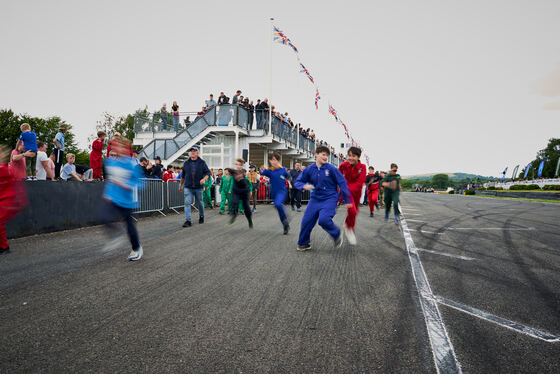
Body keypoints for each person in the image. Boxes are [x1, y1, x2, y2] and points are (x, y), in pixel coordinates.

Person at [294, 146, 352, 251]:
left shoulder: (332, 169)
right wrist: (303, 186)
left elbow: (342, 182)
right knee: (306, 221)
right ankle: (304, 243)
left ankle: (336, 233)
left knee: (324, 220)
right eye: (323, 154)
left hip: (329, 198)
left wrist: (347, 199)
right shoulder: (309, 169)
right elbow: (298, 181)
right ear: (316, 154)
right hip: (315, 199)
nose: (326, 157)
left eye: (327, 155)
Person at [101, 138, 144, 261]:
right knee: (104, 217)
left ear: (126, 149)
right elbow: (111, 180)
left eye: (120, 146)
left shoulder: (132, 164)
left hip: (127, 201)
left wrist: (126, 185)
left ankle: (136, 248)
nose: (117, 149)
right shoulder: (110, 162)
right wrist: (107, 194)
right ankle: (116, 235)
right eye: (115, 146)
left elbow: (139, 184)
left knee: (130, 226)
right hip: (113, 198)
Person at [0, 145, 26, 254]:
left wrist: (19, 202)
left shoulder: (6, 170)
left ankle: (4, 247)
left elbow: (18, 186)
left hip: (7, 201)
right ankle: (4, 246)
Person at [338, 147, 367, 245]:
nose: (350, 158)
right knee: (352, 210)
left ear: (358, 157)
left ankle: (348, 225)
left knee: (354, 212)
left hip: (357, 193)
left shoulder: (362, 167)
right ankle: (348, 228)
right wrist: (341, 187)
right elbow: (338, 174)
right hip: (347, 193)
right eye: (349, 155)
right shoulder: (344, 164)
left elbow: (360, 182)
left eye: (353, 156)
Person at [179, 146, 211, 227]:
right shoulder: (186, 163)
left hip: (198, 187)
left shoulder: (202, 162)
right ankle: (188, 220)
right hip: (188, 187)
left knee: (200, 203)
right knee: (187, 203)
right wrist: (180, 186)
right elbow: (183, 176)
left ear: (197, 153)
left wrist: (204, 179)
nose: (192, 152)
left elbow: (208, 173)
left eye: (194, 151)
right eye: (191, 151)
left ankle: (201, 216)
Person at [260, 153, 291, 234]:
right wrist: (263, 168)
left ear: (278, 160)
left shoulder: (283, 169)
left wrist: (290, 183)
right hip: (273, 192)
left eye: (274, 159)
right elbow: (261, 172)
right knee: (278, 207)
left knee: (277, 204)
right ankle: (285, 223)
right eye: (271, 160)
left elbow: (288, 177)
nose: (273, 161)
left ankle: (285, 218)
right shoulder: (269, 170)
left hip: (282, 191)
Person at [228, 158, 253, 227]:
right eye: (236, 164)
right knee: (234, 202)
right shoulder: (233, 171)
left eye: (239, 165)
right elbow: (229, 170)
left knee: (246, 208)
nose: (237, 166)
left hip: (244, 192)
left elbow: (241, 177)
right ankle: (234, 215)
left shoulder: (243, 172)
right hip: (236, 191)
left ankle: (249, 220)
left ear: (242, 166)